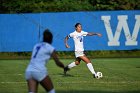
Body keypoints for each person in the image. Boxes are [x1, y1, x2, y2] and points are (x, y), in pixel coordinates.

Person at [25, 29, 65, 93]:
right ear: (51, 39)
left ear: (43, 38)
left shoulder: (36, 46)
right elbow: (57, 62)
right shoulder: (50, 48)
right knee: (51, 91)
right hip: (39, 70)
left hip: (29, 70)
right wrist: (64, 67)